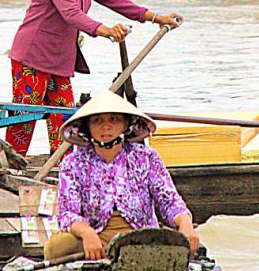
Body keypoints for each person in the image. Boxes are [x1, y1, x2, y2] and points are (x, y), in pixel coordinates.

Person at [5, 0, 184, 155]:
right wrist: (105, 30)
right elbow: (70, 13)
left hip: (60, 58)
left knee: (64, 120)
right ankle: (8, 167)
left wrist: (154, 17)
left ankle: (63, 168)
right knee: (23, 120)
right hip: (33, 56)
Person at [43, 87, 200, 261]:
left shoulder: (146, 157)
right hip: (97, 240)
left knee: (188, 244)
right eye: (97, 120)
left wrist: (185, 224)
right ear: (87, 127)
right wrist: (87, 233)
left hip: (141, 238)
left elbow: (169, 201)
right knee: (55, 248)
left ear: (126, 124)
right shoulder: (73, 163)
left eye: (114, 119)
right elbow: (67, 214)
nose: (106, 126)